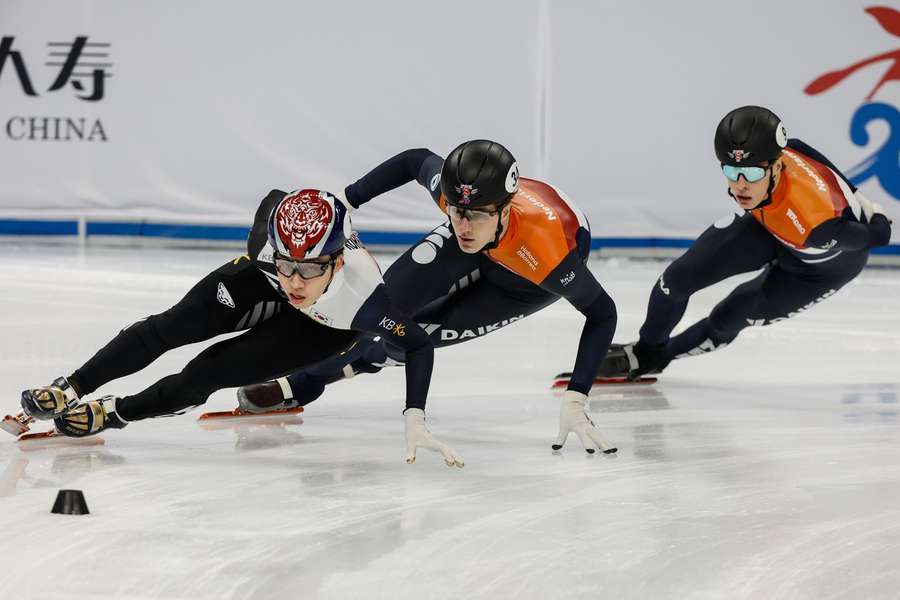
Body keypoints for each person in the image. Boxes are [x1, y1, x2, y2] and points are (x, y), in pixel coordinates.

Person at [18, 188, 463, 467]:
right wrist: (280, 267)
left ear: (338, 261)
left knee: (205, 373)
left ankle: (114, 413)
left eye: (309, 270)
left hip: (327, 327)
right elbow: (273, 199)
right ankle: (72, 386)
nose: (294, 282)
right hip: (256, 282)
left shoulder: (367, 303)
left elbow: (419, 345)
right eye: (287, 265)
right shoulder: (270, 251)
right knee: (171, 327)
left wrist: (414, 417)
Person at [240, 140, 620, 454]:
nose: (464, 225)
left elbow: (603, 314)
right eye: (455, 212)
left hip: (524, 282)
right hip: (489, 247)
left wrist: (577, 397)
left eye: (476, 215)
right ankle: (304, 380)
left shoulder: (549, 255)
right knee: (384, 308)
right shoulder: (463, 207)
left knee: (413, 339)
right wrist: (347, 198)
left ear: (505, 209)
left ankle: (320, 378)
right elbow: (415, 159)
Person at [595, 105, 892, 378]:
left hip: (818, 271)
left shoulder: (818, 223)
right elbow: (800, 146)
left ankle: (662, 357)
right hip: (771, 229)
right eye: (730, 171)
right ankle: (647, 350)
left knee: (731, 314)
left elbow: (877, 237)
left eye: (750, 173)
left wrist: (876, 214)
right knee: (676, 279)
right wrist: (855, 191)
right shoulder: (785, 152)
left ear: (775, 167)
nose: (740, 185)